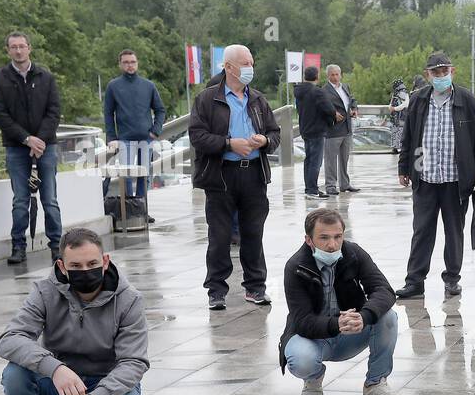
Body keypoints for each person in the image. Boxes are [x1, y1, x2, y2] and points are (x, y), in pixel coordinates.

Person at [0, 227, 148, 395]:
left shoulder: (129, 299)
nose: (85, 270)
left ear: (105, 261)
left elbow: (134, 362)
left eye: (92, 263)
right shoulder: (45, 292)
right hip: (63, 385)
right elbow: (9, 339)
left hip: (109, 383)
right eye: (75, 265)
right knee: (14, 374)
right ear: (62, 266)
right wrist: (55, 368)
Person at [279, 208, 407, 395]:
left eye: (338, 237)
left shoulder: (353, 253)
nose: (332, 245)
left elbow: (384, 290)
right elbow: (302, 320)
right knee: (301, 360)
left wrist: (364, 317)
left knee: (388, 317)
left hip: (351, 332)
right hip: (314, 338)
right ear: (309, 240)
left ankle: (375, 383)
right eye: (324, 238)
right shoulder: (296, 266)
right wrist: (336, 323)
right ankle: (314, 376)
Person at [188, 43, 281, 310]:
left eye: (251, 62)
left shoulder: (258, 99)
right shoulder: (207, 99)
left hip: (253, 175)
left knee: (254, 233)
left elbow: (275, 133)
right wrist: (229, 144)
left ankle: (255, 287)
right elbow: (197, 136)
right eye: (244, 63)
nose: (250, 68)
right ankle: (216, 291)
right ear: (228, 67)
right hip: (221, 176)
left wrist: (264, 140)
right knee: (219, 235)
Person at [395, 52, 475, 299]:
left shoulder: (468, 101)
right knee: (422, 231)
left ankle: (452, 279)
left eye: (444, 71)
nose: (440, 76)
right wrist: (404, 167)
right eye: (435, 72)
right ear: (428, 74)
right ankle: (415, 281)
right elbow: (408, 137)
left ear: (452, 71)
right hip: (425, 178)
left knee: (453, 231)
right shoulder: (418, 101)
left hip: (456, 181)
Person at [0, 31, 62, 266]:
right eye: (13, 47)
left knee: (49, 199)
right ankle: (18, 247)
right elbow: (0, 116)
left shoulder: (46, 77)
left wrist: (39, 140)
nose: (18, 51)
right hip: (16, 148)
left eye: (22, 46)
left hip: (46, 147)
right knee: (20, 200)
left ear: (29, 48)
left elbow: (54, 111)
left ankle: (56, 247)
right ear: (8, 50)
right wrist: (26, 139)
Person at [101, 49, 165, 218]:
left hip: (146, 138)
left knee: (144, 176)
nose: (130, 65)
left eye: (133, 62)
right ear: (120, 64)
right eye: (126, 62)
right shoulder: (113, 86)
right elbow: (108, 114)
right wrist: (111, 138)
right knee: (127, 176)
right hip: (124, 139)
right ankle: (129, 210)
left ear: (137, 63)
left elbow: (160, 110)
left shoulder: (148, 85)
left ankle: (143, 211)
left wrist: (155, 131)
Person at [294, 66, 334, 198]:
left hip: (305, 129)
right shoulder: (317, 92)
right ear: (317, 76)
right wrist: (333, 116)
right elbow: (328, 108)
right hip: (317, 130)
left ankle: (310, 188)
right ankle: (312, 190)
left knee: (309, 160)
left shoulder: (298, 91)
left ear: (305, 76)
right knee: (316, 162)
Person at [323, 64, 357, 194]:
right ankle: (330, 186)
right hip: (333, 130)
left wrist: (354, 109)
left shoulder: (345, 87)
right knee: (331, 160)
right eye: (332, 74)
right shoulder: (324, 90)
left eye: (337, 74)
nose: (335, 77)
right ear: (328, 76)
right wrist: (332, 114)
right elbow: (322, 106)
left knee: (344, 158)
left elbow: (352, 100)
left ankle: (345, 184)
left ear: (341, 74)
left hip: (347, 128)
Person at [389, 78, 410, 153]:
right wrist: (392, 108)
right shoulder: (395, 93)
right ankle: (395, 147)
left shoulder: (402, 93)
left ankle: (399, 147)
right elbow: (391, 103)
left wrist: (394, 108)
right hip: (396, 117)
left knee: (400, 132)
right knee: (396, 131)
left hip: (400, 116)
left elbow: (405, 104)